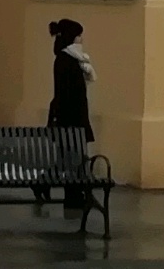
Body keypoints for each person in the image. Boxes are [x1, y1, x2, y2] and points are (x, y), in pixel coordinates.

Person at [46, 17, 96, 213]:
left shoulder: (69, 60)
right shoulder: (67, 61)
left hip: (72, 118)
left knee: (69, 159)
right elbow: (68, 94)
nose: (81, 40)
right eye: (78, 36)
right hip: (71, 119)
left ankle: (68, 192)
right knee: (73, 159)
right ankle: (72, 195)